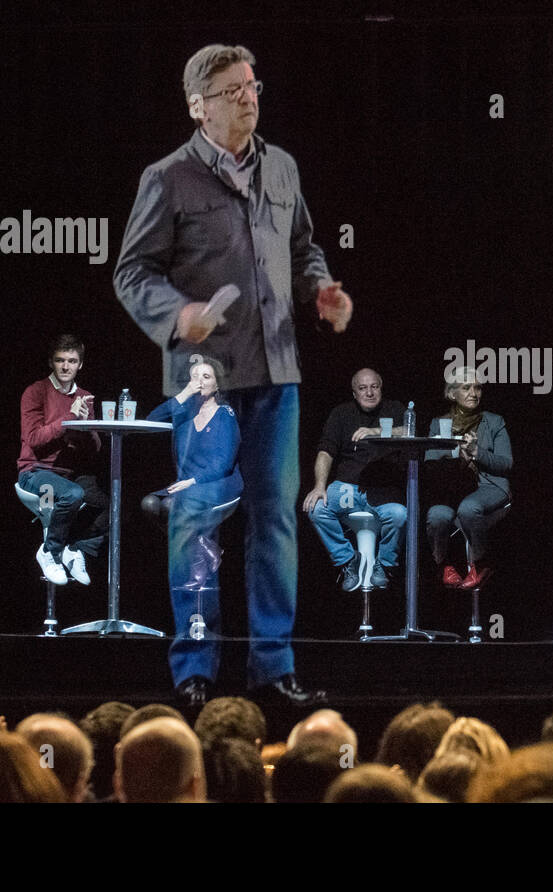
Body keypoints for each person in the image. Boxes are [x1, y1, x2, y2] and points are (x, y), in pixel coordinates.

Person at [115, 43, 352, 707]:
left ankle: (273, 668)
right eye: (232, 90)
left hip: (277, 375)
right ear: (198, 107)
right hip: (205, 385)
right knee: (198, 523)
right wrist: (177, 311)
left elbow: (305, 250)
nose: (248, 97)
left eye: (252, 85)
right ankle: (195, 670)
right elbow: (132, 273)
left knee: (275, 523)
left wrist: (321, 290)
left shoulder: (281, 169)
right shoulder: (168, 179)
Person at [143, 358, 244, 703]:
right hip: (185, 493)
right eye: (194, 376)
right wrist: (184, 392)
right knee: (151, 505)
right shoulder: (184, 414)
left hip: (217, 487)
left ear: (218, 383)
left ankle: (195, 545)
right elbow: (151, 422)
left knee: (175, 510)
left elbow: (222, 463)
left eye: (207, 376)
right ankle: (200, 545)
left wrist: (191, 481)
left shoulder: (225, 416)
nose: (200, 381)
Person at [302, 368, 407, 592]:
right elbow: (325, 451)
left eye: (374, 387)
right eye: (363, 388)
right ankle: (348, 560)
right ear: (354, 393)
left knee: (399, 515)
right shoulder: (341, 413)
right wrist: (319, 486)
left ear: (381, 388)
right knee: (316, 508)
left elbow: (409, 431)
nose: (369, 392)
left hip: (383, 489)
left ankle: (385, 565)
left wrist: (376, 432)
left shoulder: (395, 409)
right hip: (348, 488)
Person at [17, 334, 106, 586]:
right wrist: (68, 418)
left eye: (72, 360)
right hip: (35, 473)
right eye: (60, 360)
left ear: (80, 365)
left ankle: (75, 548)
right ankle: (49, 551)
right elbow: (34, 439)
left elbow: (94, 450)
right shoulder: (36, 392)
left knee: (113, 505)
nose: (66, 366)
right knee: (72, 494)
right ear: (51, 362)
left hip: (70, 474)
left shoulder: (85, 396)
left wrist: (86, 423)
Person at [424, 368, 512, 590]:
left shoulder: (494, 422)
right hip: (452, 489)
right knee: (437, 515)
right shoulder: (439, 423)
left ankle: (481, 563)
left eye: (478, 387)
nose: (474, 392)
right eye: (466, 387)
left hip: (489, 486)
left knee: (468, 508)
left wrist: (477, 452)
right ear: (452, 393)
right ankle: (443, 564)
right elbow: (430, 461)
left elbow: (506, 463)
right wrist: (455, 453)